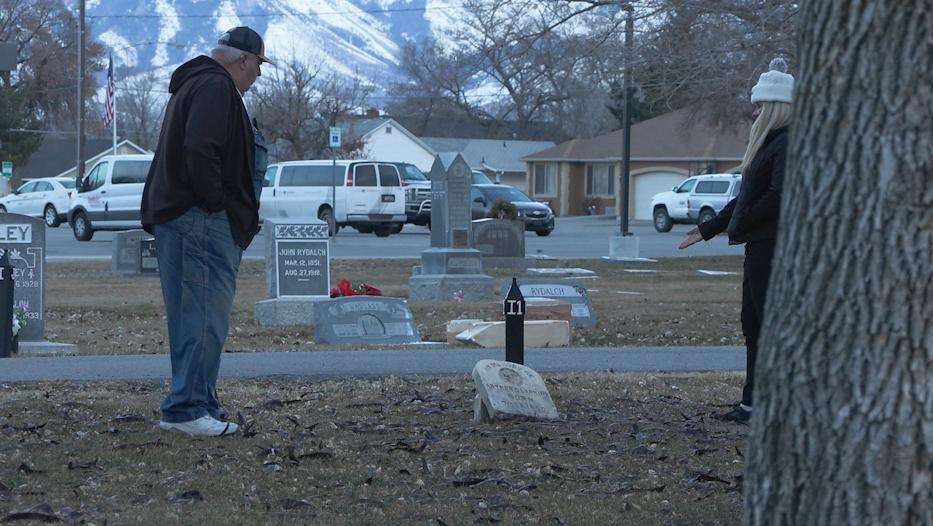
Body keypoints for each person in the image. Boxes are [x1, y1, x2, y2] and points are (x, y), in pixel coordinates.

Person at [141, 27, 273, 436]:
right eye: (258, 67)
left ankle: (199, 402)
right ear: (244, 60)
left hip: (185, 219)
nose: (258, 77)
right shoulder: (215, 87)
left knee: (194, 316)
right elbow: (200, 149)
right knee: (201, 316)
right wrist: (217, 203)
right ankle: (187, 409)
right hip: (198, 219)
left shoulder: (196, 84)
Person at [679, 58, 793, 423]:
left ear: (774, 107)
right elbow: (744, 199)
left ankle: (776, 403)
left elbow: (778, 196)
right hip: (758, 246)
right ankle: (752, 403)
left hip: (774, 247)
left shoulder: (787, 144)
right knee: (753, 323)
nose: (754, 111)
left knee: (768, 324)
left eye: (759, 105)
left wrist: (739, 221)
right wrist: (709, 227)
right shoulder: (768, 145)